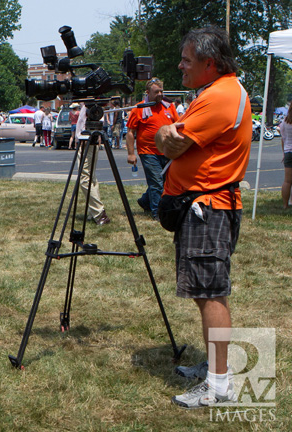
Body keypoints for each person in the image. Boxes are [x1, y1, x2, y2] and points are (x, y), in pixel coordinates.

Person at [154, 26, 251, 409]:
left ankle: (219, 385)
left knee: (211, 293)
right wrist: (166, 133)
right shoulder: (215, 92)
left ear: (210, 64)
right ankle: (214, 366)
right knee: (204, 292)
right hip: (204, 207)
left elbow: (171, 145)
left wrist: (164, 132)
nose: (180, 66)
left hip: (208, 208)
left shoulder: (220, 97)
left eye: (187, 60)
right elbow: (170, 140)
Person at [126, 78, 179, 220]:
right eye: (156, 92)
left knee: (165, 181)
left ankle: (145, 201)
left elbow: (177, 125)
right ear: (148, 92)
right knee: (156, 182)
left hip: (167, 150)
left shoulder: (169, 107)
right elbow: (130, 132)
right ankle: (157, 213)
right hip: (148, 152)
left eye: (162, 91)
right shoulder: (140, 108)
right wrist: (131, 154)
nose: (160, 94)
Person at [75, 102, 110, 225]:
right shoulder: (88, 104)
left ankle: (99, 213)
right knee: (90, 178)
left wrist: (83, 140)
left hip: (87, 143)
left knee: (85, 178)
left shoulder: (92, 105)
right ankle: (94, 211)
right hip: (86, 142)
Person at [279, 108, 292, 209]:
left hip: (288, 152)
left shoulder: (285, 121)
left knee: (287, 181)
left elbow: (283, 138)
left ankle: (285, 205)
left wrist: (284, 153)